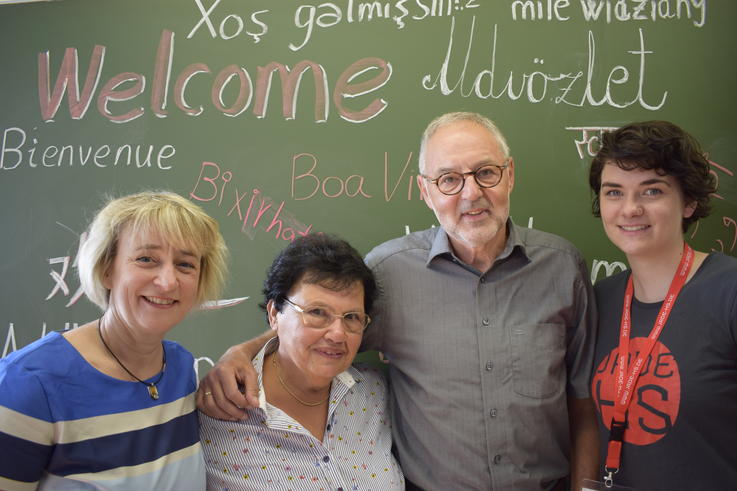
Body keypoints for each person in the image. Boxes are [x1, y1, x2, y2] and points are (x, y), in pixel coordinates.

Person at [198, 112, 599, 490]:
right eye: (448, 179)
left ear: (509, 175)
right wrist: (241, 352)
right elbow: (324, 328)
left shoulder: (562, 267)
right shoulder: (389, 273)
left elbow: (584, 404)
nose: (471, 193)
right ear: (425, 191)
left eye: (486, 173)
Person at [0, 191, 228, 490]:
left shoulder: (180, 367)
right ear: (107, 270)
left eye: (185, 265)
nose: (168, 281)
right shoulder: (28, 384)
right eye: (146, 259)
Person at [588, 121, 737, 489]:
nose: (630, 209)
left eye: (652, 191)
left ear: (688, 202)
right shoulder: (597, 300)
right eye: (613, 192)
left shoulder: (729, 291)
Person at [199, 233, 404, 490]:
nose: (338, 333)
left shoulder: (373, 393)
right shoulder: (218, 408)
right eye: (317, 312)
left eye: (351, 317)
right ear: (275, 314)